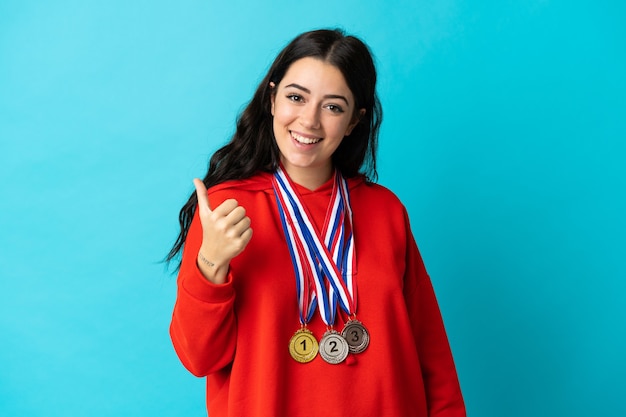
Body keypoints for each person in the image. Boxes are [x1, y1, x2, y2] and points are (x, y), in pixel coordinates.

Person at [166, 28, 466, 417]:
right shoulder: (227, 210)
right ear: (272, 99)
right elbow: (198, 359)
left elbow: (432, 354)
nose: (309, 121)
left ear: (354, 121)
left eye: (333, 107)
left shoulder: (385, 210)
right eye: (296, 97)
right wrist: (211, 263)